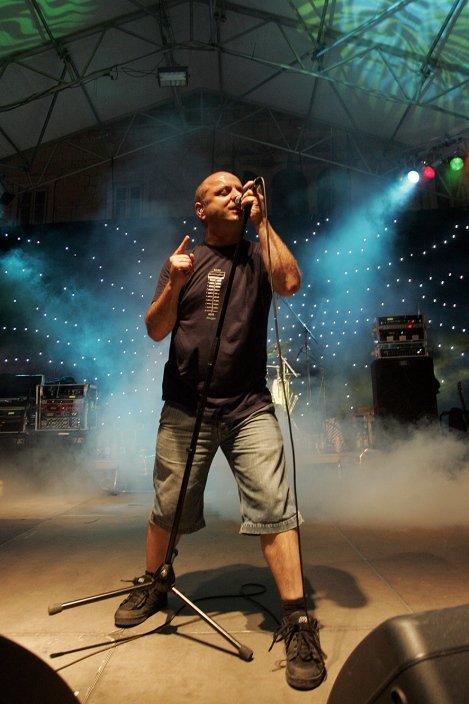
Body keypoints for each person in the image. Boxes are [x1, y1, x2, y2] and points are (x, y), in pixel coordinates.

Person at [114, 171, 326, 691]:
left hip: (248, 406)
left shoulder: (258, 254)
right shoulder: (184, 260)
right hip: (186, 407)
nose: (236, 194)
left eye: (239, 189)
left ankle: (297, 618)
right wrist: (174, 281)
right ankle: (155, 583)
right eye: (222, 191)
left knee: (274, 505)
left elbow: (290, 283)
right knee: (169, 505)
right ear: (200, 207)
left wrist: (264, 223)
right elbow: (155, 329)